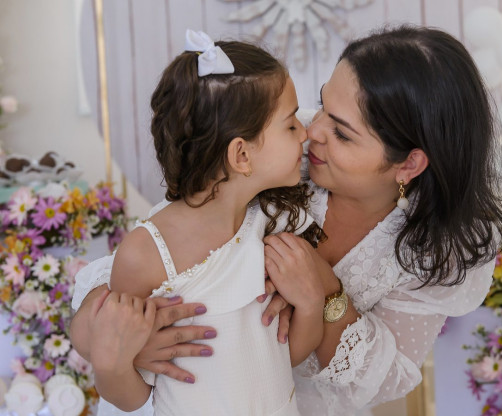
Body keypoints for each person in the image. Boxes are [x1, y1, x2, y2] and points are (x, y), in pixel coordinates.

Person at [71, 25, 502, 415]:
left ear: (409, 164)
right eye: (321, 104)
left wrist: (323, 293)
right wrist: (128, 348)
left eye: (342, 132)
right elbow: (143, 270)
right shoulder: (273, 153)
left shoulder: (440, 247)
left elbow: (383, 378)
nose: (312, 131)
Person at [79, 29, 329, 415]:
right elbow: (132, 397)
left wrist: (311, 305)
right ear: (241, 156)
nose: (306, 133)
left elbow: (285, 357)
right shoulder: (146, 254)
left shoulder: (274, 225)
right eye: (291, 124)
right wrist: (113, 364)